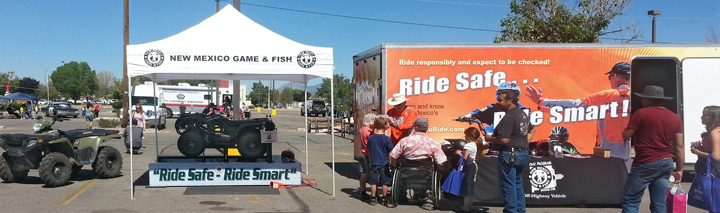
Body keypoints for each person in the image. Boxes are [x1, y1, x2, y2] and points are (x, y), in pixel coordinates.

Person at [525, 62, 632, 169]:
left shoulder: (605, 96)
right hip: (633, 152)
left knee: (610, 183)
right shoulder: (637, 96)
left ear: (615, 76)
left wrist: (542, 102)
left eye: (609, 77)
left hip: (609, 153)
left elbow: (574, 107)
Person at [621, 85, 684, 213]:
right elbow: (679, 146)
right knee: (659, 203)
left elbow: (627, 134)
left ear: (649, 99)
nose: (642, 101)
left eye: (643, 98)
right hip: (666, 162)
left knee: (631, 200)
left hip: (645, 161)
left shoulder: (641, 114)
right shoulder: (675, 117)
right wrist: (680, 169)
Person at [484, 89, 535, 213]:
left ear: (510, 101)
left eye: (500, 100)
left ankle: (511, 211)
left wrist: (489, 138)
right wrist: (523, 142)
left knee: (508, 185)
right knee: (517, 184)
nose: (497, 102)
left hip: (510, 154)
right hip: (522, 153)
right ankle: (520, 210)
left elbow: (504, 140)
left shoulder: (509, 117)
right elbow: (532, 129)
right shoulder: (522, 114)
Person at [462, 82, 534, 153]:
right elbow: (479, 112)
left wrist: (523, 144)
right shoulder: (494, 107)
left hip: (510, 150)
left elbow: (530, 130)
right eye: (499, 94)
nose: (500, 97)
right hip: (501, 147)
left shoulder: (524, 110)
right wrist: (467, 116)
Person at [389, 117, 448, 201]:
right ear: (426, 128)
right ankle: (420, 192)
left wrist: (394, 166)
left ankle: (402, 193)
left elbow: (393, 156)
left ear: (415, 127)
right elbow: (440, 161)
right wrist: (439, 171)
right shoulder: (432, 142)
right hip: (425, 172)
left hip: (406, 171)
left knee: (398, 166)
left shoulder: (405, 140)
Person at [366, 118, 393, 206]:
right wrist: (390, 161)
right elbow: (390, 151)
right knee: (385, 181)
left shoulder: (371, 138)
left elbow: (369, 151)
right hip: (384, 163)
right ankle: (384, 197)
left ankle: (373, 197)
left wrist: (370, 160)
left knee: (373, 181)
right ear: (385, 127)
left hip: (374, 162)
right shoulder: (387, 139)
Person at [690, 105, 720, 177]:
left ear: (713, 118)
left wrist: (697, 152)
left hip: (714, 170)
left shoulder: (714, 132)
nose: (701, 117)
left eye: (705, 115)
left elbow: (716, 157)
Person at [456, 127, 481, 212]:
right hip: (473, 166)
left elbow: (465, 157)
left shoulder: (468, 145)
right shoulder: (474, 144)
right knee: (471, 185)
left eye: (466, 135)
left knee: (467, 186)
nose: (465, 136)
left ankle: (466, 207)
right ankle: (470, 205)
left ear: (470, 136)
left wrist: (459, 154)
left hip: (468, 166)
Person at [354, 113, 377, 199]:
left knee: (363, 174)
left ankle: (362, 191)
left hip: (361, 153)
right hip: (368, 154)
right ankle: (374, 193)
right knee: (372, 174)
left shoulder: (361, 130)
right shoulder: (370, 133)